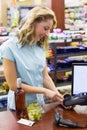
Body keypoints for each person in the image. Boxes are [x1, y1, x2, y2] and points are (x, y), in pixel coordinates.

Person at [0, 5, 63, 110]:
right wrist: (44, 91)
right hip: (19, 107)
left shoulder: (40, 46)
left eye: (49, 30)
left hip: (38, 105)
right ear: (33, 23)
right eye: (45, 28)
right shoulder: (9, 48)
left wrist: (58, 96)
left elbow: (44, 76)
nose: (47, 34)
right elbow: (13, 85)